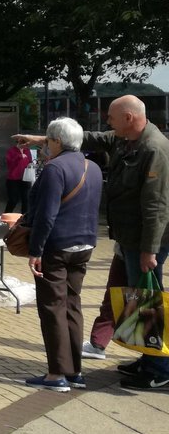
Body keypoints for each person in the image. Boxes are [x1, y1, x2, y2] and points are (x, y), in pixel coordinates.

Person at [17, 94, 169, 390]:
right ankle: (146, 358)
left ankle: (160, 368)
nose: (106, 123)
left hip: (145, 241)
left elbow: (156, 205)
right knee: (131, 299)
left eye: (111, 117)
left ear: (129, 118)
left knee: (147, 301)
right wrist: (42, 139)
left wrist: (149, 249)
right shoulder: (126, 139)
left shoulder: (154, 148)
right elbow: (86, 138)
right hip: (127, 238)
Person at [20, 117, 103, 391]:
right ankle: (75, 371)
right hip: (86, 244)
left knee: (52, 308)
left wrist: (36, 250)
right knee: (72, 305)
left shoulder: (55, 168)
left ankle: (56, 373)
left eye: (49, 140)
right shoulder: (93, 167)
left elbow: (47, 215)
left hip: (56, 247)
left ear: (56, 141)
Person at [5, 142, 34, 214]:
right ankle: (6, 215)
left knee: (26, 199)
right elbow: (9, 162)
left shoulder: (27, 150)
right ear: (18, 143)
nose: (24, 145)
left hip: (25, 178)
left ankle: (25, 218)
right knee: (13, 200)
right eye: (23, 143)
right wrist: (19, 156)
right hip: (13, 179)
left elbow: (30, 160)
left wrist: (31, 164)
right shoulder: (11, 150)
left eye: (25, 144)